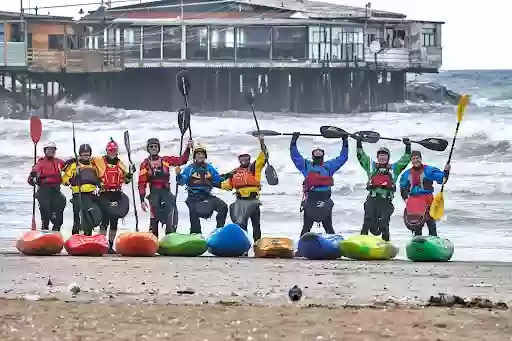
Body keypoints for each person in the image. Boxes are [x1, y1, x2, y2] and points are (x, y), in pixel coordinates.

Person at [290, 132, 349, 237]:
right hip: (311, 201)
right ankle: (301, 248)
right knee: (306, 227)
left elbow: (343, 158)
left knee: (328, 227)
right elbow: (295, 156)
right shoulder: (306, 166)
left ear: (323, 155)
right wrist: (293, 141)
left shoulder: (329, 166)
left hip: (325, 201)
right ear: (312, 156)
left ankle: (335, 247)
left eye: (320, 152)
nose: (318, 153)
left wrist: (345, 142)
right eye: (316, 152)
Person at [356, 136, 411, 241]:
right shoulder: (371, 166)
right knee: (367, 221)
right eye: (380, 155)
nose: (382, 157)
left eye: (385, 155)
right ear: (377, 157)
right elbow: (361, 156)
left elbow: (406, 159)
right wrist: (359, 142)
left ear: (388, 157)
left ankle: (385, 243)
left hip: (386, 202)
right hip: (372, 200)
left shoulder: (395, 168)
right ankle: (362, 242)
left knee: (383, 224)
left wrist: (408, 146)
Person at [138, 137, 192, 238]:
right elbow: (142, 183)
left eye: (155, 146)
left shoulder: (166, 160)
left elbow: (182, 160)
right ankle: (153, 238)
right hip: (154, 195)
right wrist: (142, 199)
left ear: (158, 148)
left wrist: (188, 148)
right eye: (151, 147)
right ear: (148, 149)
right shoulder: (145, 164)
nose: (154, 148)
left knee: (170, 217)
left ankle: (170, 236)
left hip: (166, 193)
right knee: (154, 219)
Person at [220, 135, 266, 242]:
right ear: (239, 159)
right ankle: (243, 247)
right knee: (242, 225)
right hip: (240, 202)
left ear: (249, 158)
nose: (244, 159)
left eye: (246, 157)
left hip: (253, 201)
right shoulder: (235, 173)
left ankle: (257, 245)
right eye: (242, 157)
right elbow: (227, 186)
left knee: (256, 225)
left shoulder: (254, 168)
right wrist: (211, 182)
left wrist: (262, 142)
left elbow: (262, 156)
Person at [94, 139, 136, 253]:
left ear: (117, 152)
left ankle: (110, 246)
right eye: (110, 150)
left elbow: (126, 180)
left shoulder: (120, 164)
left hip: (116, 194)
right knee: (104, 220)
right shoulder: (99, 161)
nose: (112, 152)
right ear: (107, 151)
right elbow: (88, 163)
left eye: (114, 150)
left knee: (114, 221)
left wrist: (131, 173)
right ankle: (101, 243)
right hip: (104, 194)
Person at [176, 144, 228, 234]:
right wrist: (178, 175)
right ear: (195, 156)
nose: (200, 156)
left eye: (202, 154)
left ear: (205, 156)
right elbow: (181, 182)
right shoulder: (190, 168)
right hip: (193, 197)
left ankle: (219, 231)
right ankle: (195, 233)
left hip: (207, 196)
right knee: (194, 212)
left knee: (223, 207)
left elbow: (217, 180)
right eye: (198, 154)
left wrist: (229, 176)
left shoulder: (209, 168)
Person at [399, 150, 450, 236]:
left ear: (421, 159)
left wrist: (446, 171)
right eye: (413, 158)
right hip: (414, 202)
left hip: (427, 200)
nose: (416, 160)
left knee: (431, 224)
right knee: (417, 226)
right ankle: (417, 242)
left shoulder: (428, 170)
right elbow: (402, 187)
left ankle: (433, 239)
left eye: (417, 158)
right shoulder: (406, 174)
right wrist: (406, 199)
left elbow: (442, 180)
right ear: (411, 161)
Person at [62, 144, 104, 236]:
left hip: (91, 195)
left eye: (87, 154)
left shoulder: (93, 165)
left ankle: (88, 236)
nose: (86, 156)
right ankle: (75, 236)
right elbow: (64, 181)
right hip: (78, 195)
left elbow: (100, 177)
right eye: (84, 154)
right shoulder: (74, 165)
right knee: (78, 218)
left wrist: (100, 185)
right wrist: (72, 179)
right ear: (80, 154)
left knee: (89, 217)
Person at [27, 141, 66, 231]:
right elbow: (34, 173)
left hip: (56, 191)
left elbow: (68, 168)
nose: (51, 151)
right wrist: (32, 177)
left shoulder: (58, 162)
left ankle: (56, 231)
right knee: (46, 214)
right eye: (49, 149)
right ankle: (45, 230)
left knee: (60, 211)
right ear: (45, 151)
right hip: (44, 191)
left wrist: (74, 162)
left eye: (53, 149)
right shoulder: (40, 163)